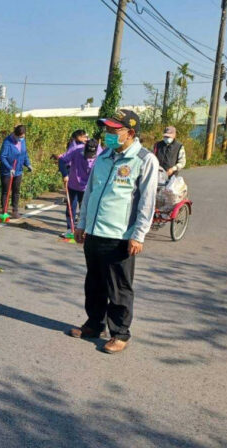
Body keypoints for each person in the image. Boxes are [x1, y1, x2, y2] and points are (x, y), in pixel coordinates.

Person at [69, 109, 158, 354]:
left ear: (129, 133)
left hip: (120, 236)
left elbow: (147, 202)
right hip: (95, 232)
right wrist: (82, 223)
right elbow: (90, 192)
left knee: (118, 287)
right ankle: (94, 324)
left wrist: (138, 235)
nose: (107, 134)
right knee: (94, 283)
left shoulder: (144, 159)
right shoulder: (103, 156)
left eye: (113, 130)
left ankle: (120, 333)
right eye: (106, 129)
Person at [59, 138, 102, 238]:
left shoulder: (101, 155)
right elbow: (62, 160)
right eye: (87, 154)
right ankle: (70, 229)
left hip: (88, 187)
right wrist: (65, 174)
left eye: (91, 155)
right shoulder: (76, 150)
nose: (89, 158)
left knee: (86, 209)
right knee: (71, 208)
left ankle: (85, 230)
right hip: (73, 183)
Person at [0, 124, 32, 218]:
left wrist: (28, 164)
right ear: (16, 135)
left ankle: (15, 210)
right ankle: (4, 211)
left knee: (16, 191)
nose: (21, 139)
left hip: (18, 170)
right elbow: (2, 157)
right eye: (20, 137)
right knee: (6, 191)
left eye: (23, 137)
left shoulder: (22, 141)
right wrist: (9, 168)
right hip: (7, 171)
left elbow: (24, 153)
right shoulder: (7, 142)